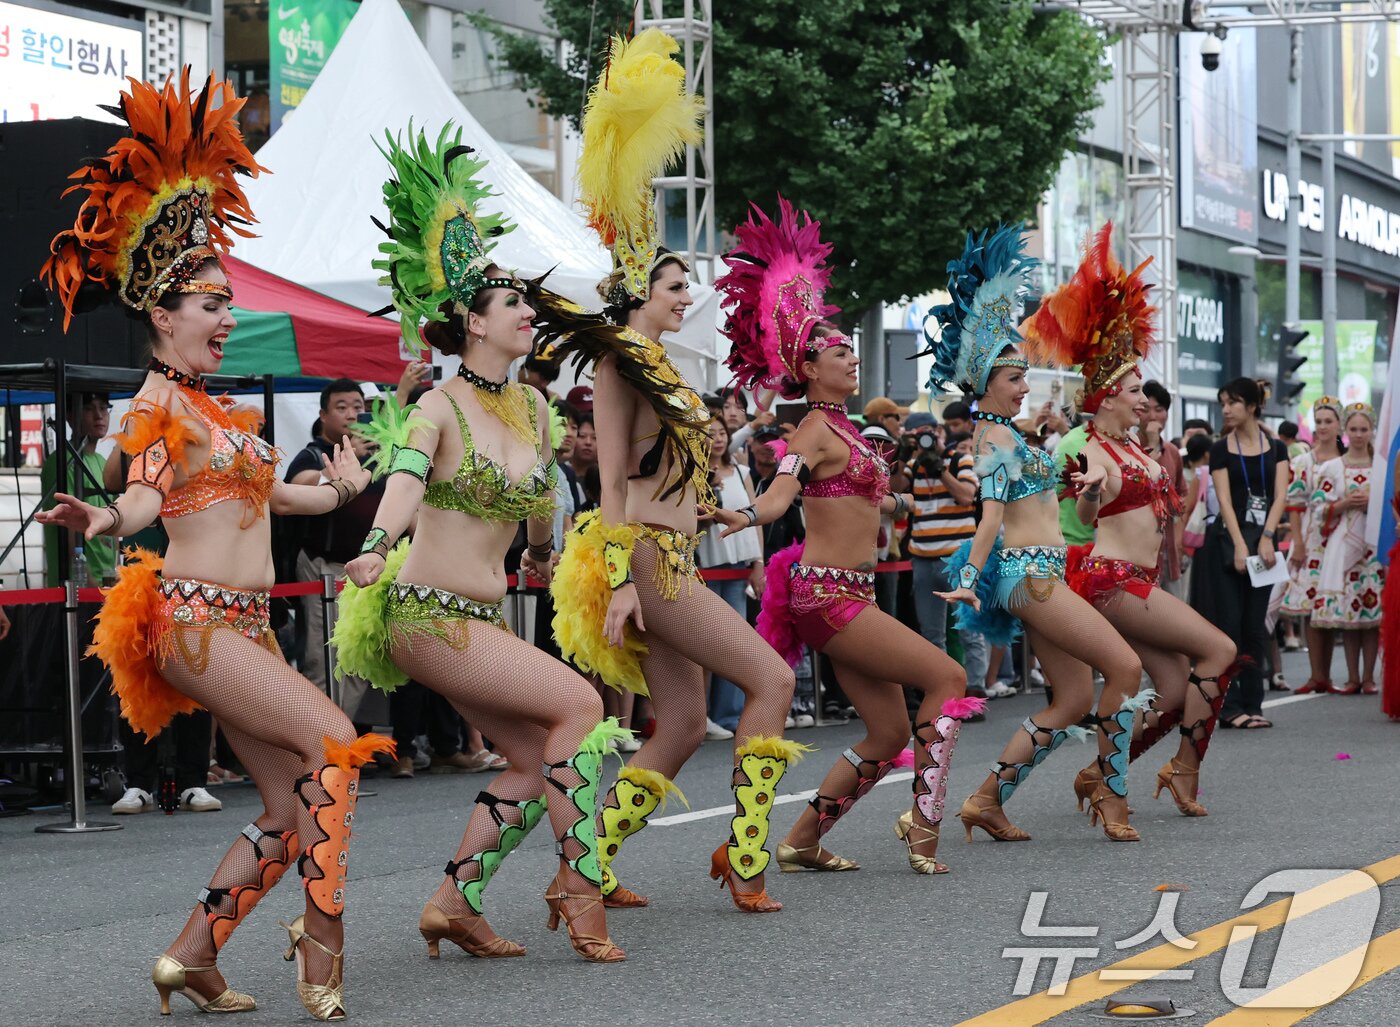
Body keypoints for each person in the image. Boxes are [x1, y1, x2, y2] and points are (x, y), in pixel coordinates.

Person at [36, 70, 391, 1020]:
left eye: (228, 302)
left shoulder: (221, 415)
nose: (227, 317)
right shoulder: (157, 404)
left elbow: (286, 496)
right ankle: (322, 950)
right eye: (209, 303)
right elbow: (146, 494)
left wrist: (351, 485)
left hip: (247, 626)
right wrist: (104, 520)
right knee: (333, 748)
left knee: (287, 805)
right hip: (195, 623)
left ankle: (190, 956)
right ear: (161, 314)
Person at [335, 125, 626, 963]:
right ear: (471, 320)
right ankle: (579, 890)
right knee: (583, 708)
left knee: (538, 759)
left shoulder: (535, 409)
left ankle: (453, 901)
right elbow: (405, 480)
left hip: (487, 619)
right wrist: (375, 542)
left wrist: (540, 552)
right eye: (515, 305)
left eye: (530, 305)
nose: (532, 314)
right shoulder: (437, 404)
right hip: (425, 614)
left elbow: (539, 513)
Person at [534, 29, 802, 914]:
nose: (688, 297)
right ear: (638, 292)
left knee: (685, 721)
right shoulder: (619, 362)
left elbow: (675, 470)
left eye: (690, 286)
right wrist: (618, 581)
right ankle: (748, 855)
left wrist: (726, 513)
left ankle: (591, 861)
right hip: (645, 556)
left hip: (678, 545)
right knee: (772, 680)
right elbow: (611, 481)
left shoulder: (669, 366)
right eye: (674, 286)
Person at [712, 196, 978, 876]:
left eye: (850, 348)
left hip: (852, 591)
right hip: (828, 595)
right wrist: (747, 514)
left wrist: (886, 500)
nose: (850, 356)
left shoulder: (851, 431)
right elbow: (783, 490)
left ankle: (801, 839)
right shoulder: (810, 430)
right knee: (947, 676)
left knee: (890, 731)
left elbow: (854, 496)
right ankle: (923, 830)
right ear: (807, 368)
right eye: (837, 350)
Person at [933, 224, 1144, 843]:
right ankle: (1111, 796)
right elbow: (990, 518)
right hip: (1030, 577)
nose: (1026, 385)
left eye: (1024, 376)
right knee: (1125, 668)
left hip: (1041, 571)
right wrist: (970, 582)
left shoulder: (1011, 436)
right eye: (1014, 378)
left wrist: (1079, 489)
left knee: (1075, 696)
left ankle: (985, 800)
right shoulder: (995, 438)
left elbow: (1030, 502)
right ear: (986, 384)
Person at [1024, 223, 1237, 821]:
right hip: (1112, 579)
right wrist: (1090, 495)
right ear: (1107, 397)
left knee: (1170, 693)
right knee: (1219, 649)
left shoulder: (1138, 447)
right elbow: (1087, 505)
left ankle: (1098, 773)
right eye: (1135, 388)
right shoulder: (1085, 446)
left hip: (1144, 579)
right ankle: (1181, 770)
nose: (1144, 397)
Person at [284, 378, 389, 729]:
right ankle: (318, 747)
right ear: (323, 415)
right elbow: (297, 485)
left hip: (366, 572)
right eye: (341, 407)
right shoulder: (314, 453)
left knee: (359, 661)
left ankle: (338, 739)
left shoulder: (380, 456)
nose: (351, 414)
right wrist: (347, 462)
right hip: (321, 569)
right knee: (320, 657)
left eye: (358, 407)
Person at [1189, 377, 1289, 729]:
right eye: (1223, 403)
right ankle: (1229, 707)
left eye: (1232, 402)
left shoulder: (1276, 448)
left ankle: (1253, 703)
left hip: (1263, 540)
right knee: (1228, 626)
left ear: (1251, 406)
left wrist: (1267, 537)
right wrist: (1241, 544)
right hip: (1227, 542)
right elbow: (1225, 503)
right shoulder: (1220, 449)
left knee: (1254, 626)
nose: (1226, 409)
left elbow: (1280, 496)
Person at [906, 412, 992, 701]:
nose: (926, 438)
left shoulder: (959, 460)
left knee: (968, 627)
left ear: (939, 430)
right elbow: (892, 491)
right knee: (932, 633)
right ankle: (944, 693)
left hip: (958, 558)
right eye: (918, 434)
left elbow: (968, 495)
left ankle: (976, 689)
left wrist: (940, 470)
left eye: (928, 431)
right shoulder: (912, 463)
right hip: (923, 558)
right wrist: (901, 456)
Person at [697, 416, 765, 736]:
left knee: (735, 641)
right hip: (709, 564)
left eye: (722, 432)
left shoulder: (742, 471)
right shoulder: (694, 473)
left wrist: (758, 562)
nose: (718, 439)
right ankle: (703, 715)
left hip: (740, 566)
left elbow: (756, 518)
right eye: (710, 434)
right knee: (708, 641)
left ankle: (730, 714)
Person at [1310, 404, 1384, 694]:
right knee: (1351, 616)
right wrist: (1343, 505)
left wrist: (1371, 503)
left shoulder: (1382, 469)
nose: (1358, 434)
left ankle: (1369, 677)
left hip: (1373, 546)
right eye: (1353, 429)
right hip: (1343, 547)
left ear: (1371, 431)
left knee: (1371, 613)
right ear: (1346, 431)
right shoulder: (1332, 468)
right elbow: (1317, 508)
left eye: (1363, 429)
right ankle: (1353, 677)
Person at [1284, 398, 1345, 694]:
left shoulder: (1348, 461)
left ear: (1339, 425)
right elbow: (1294, 505)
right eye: (1318, 421)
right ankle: (1315, 674)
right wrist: (1297, 542)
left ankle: (1327, 675)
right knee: (1310, 605)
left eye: (1328, 421)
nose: (1322, 427)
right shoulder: (1302, 462)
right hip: (1310, 538)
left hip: (1340, 537)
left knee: (1329, 604)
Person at [42, 392, 116, 585]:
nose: (99, 415)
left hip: (108, 580)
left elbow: (115, 519)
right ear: (70, 415)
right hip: (77, 585)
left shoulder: (103, 463)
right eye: (88, 408)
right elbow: (66, 524)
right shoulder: (60, 462)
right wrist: (88, 582)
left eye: (103, 408)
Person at [1141, 380, 1187, 598]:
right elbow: (1145, 489)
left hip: (1168, 549)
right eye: (1146, 409)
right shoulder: (1128, 449)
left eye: (1158, 410)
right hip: (1139, 550)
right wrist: (1151, 445)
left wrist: (1179, 535)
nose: (1152, 416)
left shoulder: (1173, 452)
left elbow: (1181, 495)